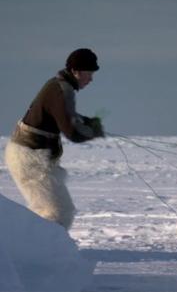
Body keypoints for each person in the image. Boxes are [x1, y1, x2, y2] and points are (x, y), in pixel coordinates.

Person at [5, 48, 104, 230]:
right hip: (29, 159)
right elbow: (72, 132)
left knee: (50, 211)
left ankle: (39, 250)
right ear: (76, 71)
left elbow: (64, 115)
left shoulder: (58, 86)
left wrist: (88, 122)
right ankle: (43, 254)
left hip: (29, 156)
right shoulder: (61, 90)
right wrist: (93, 131)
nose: (91, 79)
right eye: (89, 73)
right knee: (58, 212)